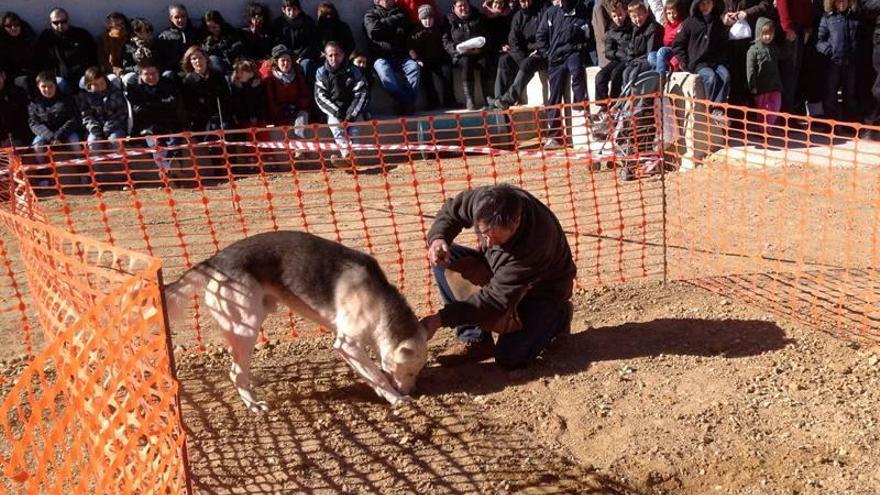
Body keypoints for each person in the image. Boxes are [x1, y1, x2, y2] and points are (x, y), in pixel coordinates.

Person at [420, 184, 576, 369]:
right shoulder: (484, 202)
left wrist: (440, 319)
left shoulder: (536, 242)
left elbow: (494, 300)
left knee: (510, 358)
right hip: (499, 270)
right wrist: (439, 238)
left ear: (516, 221)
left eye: (497, 239)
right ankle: (475, 339)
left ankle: (559, 316)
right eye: (484, 234)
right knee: (443, 257)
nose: (489, 242)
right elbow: (451, 213)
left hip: (542, 290)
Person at [536, 0, 593, 149]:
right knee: (554, 96)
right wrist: (547, 54)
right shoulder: (551, 13)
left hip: (573, 54)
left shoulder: (582, 12)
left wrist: (580, 47)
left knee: (577, 72)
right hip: (555, 59)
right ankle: (555, 137)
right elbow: (541, 36)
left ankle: (581, 112)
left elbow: (588, 36)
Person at [314, 42, 370, 164]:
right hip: (334, 110)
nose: (334, 58)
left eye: (337, 55)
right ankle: (346, 154)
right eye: (330, 55)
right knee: (336, 127)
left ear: (343, 55)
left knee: (355, 129)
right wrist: (337, 112)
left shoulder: (354, 71)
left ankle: (353, 156)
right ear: (326, 56)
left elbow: (362, 93)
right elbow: (320, 97)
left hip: (354, 110)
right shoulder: (321, 72)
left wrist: (351, 115)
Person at [364, 0, 421, 114]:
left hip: (401, 55)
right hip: (381, 56)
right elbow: (374, 31)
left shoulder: (402, 12)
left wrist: (384, 27)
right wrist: (395, 21)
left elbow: (407, 31)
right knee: (386, 76)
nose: (387, 1)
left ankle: (404, 104)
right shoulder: (371, 14)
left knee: (414, 68)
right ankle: (406, 102)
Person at [671, 0, 730, 108]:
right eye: (702, 3)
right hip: (698, 63)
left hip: (715, 62)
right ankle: (707, 107)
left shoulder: (717, 22)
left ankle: (718, 109)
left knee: (725, 75)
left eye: (708, 3)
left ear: (713, 4)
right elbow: (677, 45)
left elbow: (723, 43)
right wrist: (685, 63)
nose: (705, 6)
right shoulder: (690, 22)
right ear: (697, 5)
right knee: (710, 77)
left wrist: (723, 60)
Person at [490, 0, 548, 109]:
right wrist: (522, 57)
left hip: (541, 52)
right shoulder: (518, 16)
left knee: (528, 62)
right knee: (504, 60)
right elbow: (513, 40)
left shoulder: (543, 12)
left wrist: (537, 49)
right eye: (522, 1)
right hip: (524, 54)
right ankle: (498, 99)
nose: (525, 3)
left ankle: (509, 98)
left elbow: (545, 36)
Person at [443, 0, 495, 110]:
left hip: (478, 53)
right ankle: (470, 99)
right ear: (454, 7)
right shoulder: (448, 20)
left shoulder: (478, 17)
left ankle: (488, 97)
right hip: (460, 56)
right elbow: (446, 42)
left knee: (486, 61)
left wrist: (481, 49)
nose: (463, 8)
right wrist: (458, 50)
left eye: (465, 5)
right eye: (460, 6)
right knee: (466, 62)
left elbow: (488, 37)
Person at [35, 8, 98, 94]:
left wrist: (89, 74)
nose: (60, 25)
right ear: (50, 22)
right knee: (61, 85)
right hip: (59, 78)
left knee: (86, 85)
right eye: (56, 23)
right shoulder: (46, 37)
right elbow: (40, 60)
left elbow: (93, 56)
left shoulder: (81, 35)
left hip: (81, 76)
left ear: (68, 20)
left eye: (63, 21)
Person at [262, 44, 311, 154]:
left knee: (303, 115)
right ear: (276, 62)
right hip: (279, 112)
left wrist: (298, 106)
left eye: (288, 60)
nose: (286, 63)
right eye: (283, 60)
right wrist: (281, 110)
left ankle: (300, 147)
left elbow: (305, 95)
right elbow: (270, 100)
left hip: (296, 109)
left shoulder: (298, 75)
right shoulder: (270, 79)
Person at [815, 0, 859, 121]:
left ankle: (849, 123)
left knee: (849, 94)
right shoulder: (828, 19)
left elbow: (860, 38)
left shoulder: (855, 18)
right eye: (839, 1)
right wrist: (828, 50)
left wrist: (857, 52)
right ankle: (831, 124)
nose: (842, 4)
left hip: (850, 63)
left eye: (844, 1)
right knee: (830, 94)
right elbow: (819, 41)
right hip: (833, 63)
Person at [409, 4, 456, 109]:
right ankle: (432, 101)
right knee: (427, 77)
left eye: (430, 18)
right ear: (420, 19)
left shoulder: (439, 30)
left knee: (447, 73)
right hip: (425, 60)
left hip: (441, 58)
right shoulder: (416, 32)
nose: (427, 21)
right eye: (424, 18)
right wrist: (417, 59)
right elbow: (411, 48)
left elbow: (446, 42)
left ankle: (449, 100)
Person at [180, 46, 233, 132]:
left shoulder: (217, 75)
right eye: (194, 59)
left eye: (200, 57)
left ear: (206, 58)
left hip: (220, 119)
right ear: (190, 62)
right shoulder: (188, 81)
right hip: (201, 121)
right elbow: (189, 106)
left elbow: (226, 98)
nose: (198, 61)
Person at [746, 17, 783, 127]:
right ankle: (762, 129)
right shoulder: (753, 50)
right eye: (765, 33)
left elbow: (784, 55)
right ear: (759, 33)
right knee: (762, 109)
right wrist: (752, 85)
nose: (768, 36)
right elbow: (750, 68)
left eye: (770, 34)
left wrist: (789, 42)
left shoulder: (774, 48)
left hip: (775, 85)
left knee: (775, 105)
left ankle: (768, 126)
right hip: (761, 86)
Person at [78, 66, 128, 146]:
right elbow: (86, 116)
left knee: (114, 141)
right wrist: (95, 129)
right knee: (93, 142)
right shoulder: (85, 97)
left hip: (115, 127)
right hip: (96, 129)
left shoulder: (115, 92)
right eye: (95, 84)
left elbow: (121, 113)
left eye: (102, 83)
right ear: (89, 85)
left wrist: (107, 128)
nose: (100, 87)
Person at [272, 0, 321, 80]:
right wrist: (287, 56)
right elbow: (276, 43)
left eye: (294, 9)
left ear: (299, 9)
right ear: (283, 10)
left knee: (307, 64)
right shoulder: (278, 24)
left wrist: (301, 56)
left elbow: (313, 43)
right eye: (289, 10)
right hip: (285, 55)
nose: (292, 13)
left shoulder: (307, 22)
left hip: (302, 56)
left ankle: (308, 91)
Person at [596, 0, 632, 108]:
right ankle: (603, 105)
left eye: (620, 15)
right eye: (614, 16)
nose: (618, 19)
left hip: (630, 59)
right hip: (617, 58)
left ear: (625, 12)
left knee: (616, 74)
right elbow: (608, 51)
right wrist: (618, 54)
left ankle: (614, 104)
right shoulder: (611, 31)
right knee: (600, 76)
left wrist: (627, 56)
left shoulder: (632, 27)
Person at [621, 0, 663, 85]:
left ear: (646, 13)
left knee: (634, 75)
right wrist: (631, 60)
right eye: (634, 17)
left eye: (640, 15)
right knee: (625, 73)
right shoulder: (635, 29)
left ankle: (638, 96)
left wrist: (636, 61)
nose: (637, 19)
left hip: (649, 60)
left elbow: (650, 51)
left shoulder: (653, 28)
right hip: (637, 61)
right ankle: (628, 97)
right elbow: (631, 49)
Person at [156, 3, 199, 75]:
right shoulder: (164, 37)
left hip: (195, 68)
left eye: (183, 16)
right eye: (176, 17)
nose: (180, 20)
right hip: (175, 71)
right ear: (171, 18)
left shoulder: (196, 33)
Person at [0, 12, 37, 89]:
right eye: (9, 26)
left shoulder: (29, 39)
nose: (13, 28)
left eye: (16, 24)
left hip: (29, 74)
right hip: (8, 76)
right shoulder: (2, 43)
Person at [0, 66, 31, 147]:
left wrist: (12, 138)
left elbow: (26, 119)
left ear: (3, 76)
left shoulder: (18, 94)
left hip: (16, 138)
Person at [652, 0, 686, 72]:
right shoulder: (667, 26)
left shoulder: (682, 25)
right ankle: (666, 68)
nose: (671, 16)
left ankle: (660, 78)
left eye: (674, 13)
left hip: (676, 51)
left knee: (662, 51)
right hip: (668, 52)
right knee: (651, 56)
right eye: (669, 13)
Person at [122, 18, 158, 86]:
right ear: (135, 32)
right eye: (146, 31)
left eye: (149, 30)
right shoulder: (129, 46)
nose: (149, 33)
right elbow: (127, 65)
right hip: (138, 73)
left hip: (155, 72)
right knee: (129, 78)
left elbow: (160, 60)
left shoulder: (154, 44)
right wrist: (139, 69)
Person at [97, 12, 130, 77]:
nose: (120, 27)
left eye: (122, 23)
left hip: (127, 69)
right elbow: (101, 59)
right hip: (109, 70)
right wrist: (116, 70)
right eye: (117, 24)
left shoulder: (129, 37)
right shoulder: (103, 39)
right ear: (110, 25)